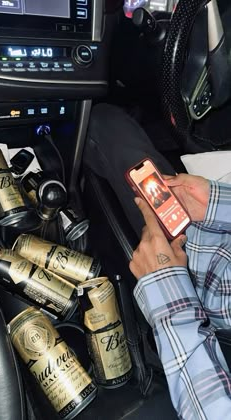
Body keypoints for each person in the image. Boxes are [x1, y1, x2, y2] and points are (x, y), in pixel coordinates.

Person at [84, 103, 231, 419]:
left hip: (193, 295)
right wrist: (220, 204)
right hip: (206, 226)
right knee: (106, 124)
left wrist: (167, 289)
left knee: (102, 122)